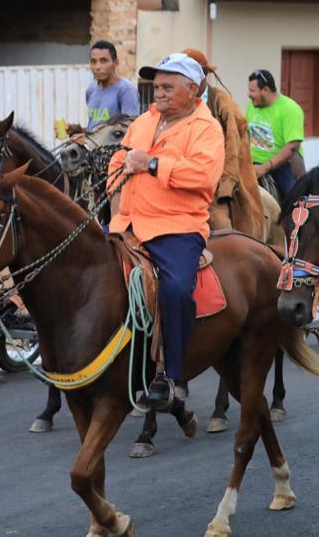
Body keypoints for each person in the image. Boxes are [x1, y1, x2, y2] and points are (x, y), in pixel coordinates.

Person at [108, 53, 225, 409]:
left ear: (192, 89)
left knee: (174, 289)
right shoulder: (144, 121)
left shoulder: (206, 129)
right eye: (155, 86)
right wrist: (116, 185)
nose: (157, 93)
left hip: (176, 226)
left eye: (166, 86)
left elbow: (203, 177)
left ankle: (173, 374)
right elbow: (118, 159)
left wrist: (152, 163)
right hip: (126, 223)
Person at [181, 49, 264, 239]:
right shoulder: (176, 102)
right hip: (180, 176)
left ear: (204, 75)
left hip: (216, 181)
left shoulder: (222, 102)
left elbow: (234, 148)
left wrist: (225, 187)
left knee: (222, 228)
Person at [246, 69, 305, 204]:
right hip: (253, 164)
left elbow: (293, 146)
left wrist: (265, 167)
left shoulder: (290, 109)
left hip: (282, 166)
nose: (248, 95)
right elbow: (246, 133)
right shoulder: (252, 106)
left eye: (252, 91)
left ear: (265, 90)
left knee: (294, 201)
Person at [85, 40, 141, 131]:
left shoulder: (126, 90)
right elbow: (95, 128)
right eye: (93, 61)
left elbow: (130, 128)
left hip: (113, 145)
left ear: (116, 63)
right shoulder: (91, 90)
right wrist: (78, 130)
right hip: (92, 144)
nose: (97, 67)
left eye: (103, 61)